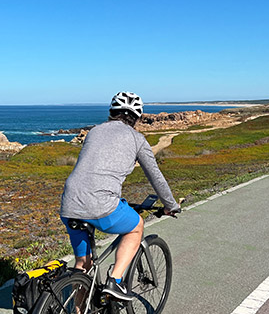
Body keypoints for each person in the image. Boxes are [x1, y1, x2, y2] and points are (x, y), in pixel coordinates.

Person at [60, 91, 180, 301]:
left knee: (83, 264)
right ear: (137, 117)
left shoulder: (94, 132)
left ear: (112, 112)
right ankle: (114, 282)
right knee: (136, 226)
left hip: (69, 202)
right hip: (101, 204)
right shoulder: (137, 139)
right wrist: (170, 204)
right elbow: (156, 176)